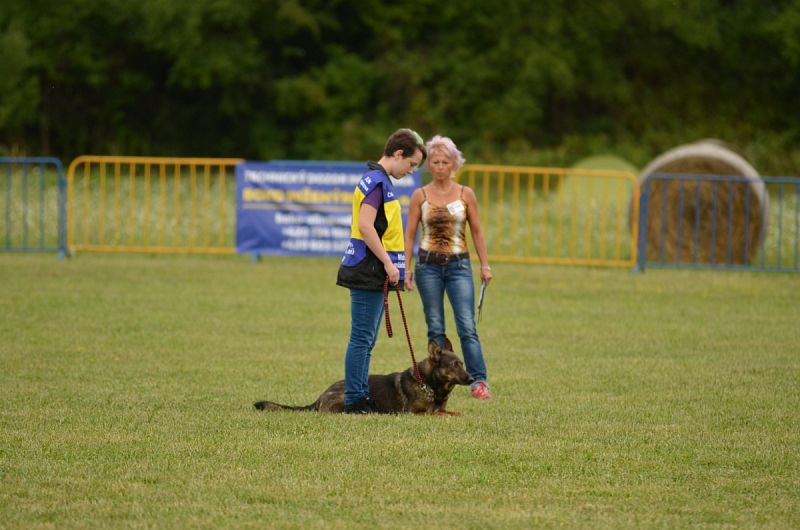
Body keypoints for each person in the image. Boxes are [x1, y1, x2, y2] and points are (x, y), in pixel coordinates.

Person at [336, 128, 427, 414]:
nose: (411, 171)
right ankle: (355, 401)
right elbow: (365, 225)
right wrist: (388, 263)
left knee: (367, 339)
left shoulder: (377, 181)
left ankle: (361, 396)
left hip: (372, 269)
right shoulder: (377, 182)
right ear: (398, 154)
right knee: (362, 339)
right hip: (369, 269)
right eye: (411, 164)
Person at [404, 135, 494, 400]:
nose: (440, 166)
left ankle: (479, 381)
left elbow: (477, 231)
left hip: (459, 266)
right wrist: (406, 268)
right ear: (429, 165)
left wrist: (485, 266)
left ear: (454, 164)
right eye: (435, 161)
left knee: (467, 326)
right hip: (427, 266)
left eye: (445, 161)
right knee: (435, 326)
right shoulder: (419, 195)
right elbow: (409, 235)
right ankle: (437, 381)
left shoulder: (466, 194)